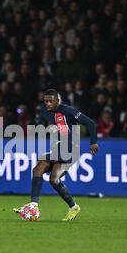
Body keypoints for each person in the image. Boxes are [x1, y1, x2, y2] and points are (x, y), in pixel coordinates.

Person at [13, 89, 99, 221]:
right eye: (46, 101)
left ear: (57, 101)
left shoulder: (69, 111)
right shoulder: (47, 114)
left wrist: (93, 142)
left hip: (70, 149)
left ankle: (73, 207)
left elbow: (90, 123)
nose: (48, 103)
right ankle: (33, 205)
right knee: (38, 170)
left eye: (50, 101)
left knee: (53, 179)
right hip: (57, 149)